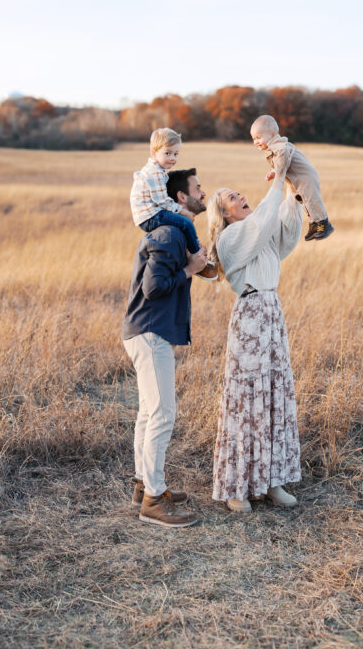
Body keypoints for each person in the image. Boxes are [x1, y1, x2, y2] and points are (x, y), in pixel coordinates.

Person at [206, 167, 303, 513]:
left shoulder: (257, 234)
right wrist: (277, 180)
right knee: (247, 399)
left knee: (274, 395)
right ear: (224, 214)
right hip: (250, 318)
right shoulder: (230, 239)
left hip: (272, 313)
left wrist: (291, 190)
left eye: (238, 193)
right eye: (232, 198)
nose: (241, 197)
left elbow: (286, 234)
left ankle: (272, 481)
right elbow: (261, 224)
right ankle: (237, 487)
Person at [122, 168, 209, 528]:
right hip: (150, 331)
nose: (203, 193)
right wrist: (190, 269)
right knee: (162, 414)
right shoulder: (170, 233)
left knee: (149, 412)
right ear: (180, 198)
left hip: (146, 331)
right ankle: (154, 503)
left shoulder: (173, 233)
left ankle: (144, 487)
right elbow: (154, 287)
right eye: (198, 188)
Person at [130, 127, 217, 278]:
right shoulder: (155, 172)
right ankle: (197, 255)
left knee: (182, 224)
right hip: (151, 216)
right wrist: (183, 211)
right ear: (154, 153)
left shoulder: (158, 170)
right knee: (185, 222)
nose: (172, 158)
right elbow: (162, 201)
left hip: (151, 214)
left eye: (176, 154)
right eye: (168, 153)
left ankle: (192, 249)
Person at [250, 115, 334, 241]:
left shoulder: (279, 147)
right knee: (305, 201)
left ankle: (323, 224)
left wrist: (278, 173)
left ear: (272, 134)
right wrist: (274, 172)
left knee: (312, 200)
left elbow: (282, 162)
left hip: (305, 178)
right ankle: (314, 224)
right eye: (253, 139)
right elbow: (282, 163)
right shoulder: (277, 146)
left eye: (258, 137)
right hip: (298, 179)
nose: (256, 142)